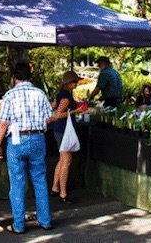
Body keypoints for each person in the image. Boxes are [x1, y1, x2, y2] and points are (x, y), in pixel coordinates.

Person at [0, 62, 53, 234]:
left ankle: (19, 225)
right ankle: (45, 220)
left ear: (14, 77)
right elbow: (49, 118)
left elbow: (3, 123)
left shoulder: (9, 95)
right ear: (29, 76)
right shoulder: (40, 93)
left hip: (16, 141)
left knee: (18, 183)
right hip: (37, 138)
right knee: (40, 180)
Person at [51, 71, 86, 204]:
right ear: (69, 83)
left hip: (61, 130)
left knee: (62, 159)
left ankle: (55, 188)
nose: (76, 84)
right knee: (67, 160)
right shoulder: (65, 97)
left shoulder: (63, 95)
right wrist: (76, 111)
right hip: (64, 130)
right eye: (75, 82)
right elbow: (59, 114)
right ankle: (63, 193)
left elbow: (54, 106)